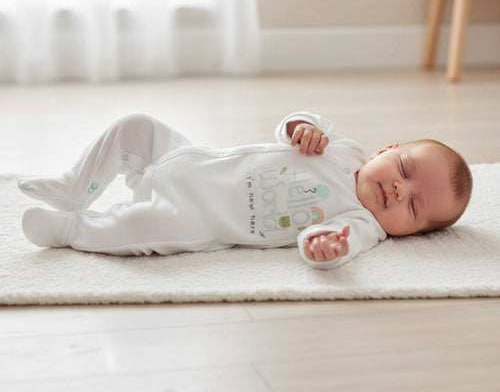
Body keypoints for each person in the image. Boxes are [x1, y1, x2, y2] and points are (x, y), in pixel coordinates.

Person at [18, 111, 473, 270]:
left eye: (413, 205)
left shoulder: (362, 224)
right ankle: (75, 187)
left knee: (138, 229)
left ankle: (71, 229)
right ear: (388, 149)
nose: (398, 188)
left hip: (195, 217)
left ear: (410, 234)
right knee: (136, 126)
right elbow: (285, 127)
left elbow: (337, 247)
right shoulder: (343, 149)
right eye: (405, 169)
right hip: (190, 159)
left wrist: (325, 249)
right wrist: (301, 126)